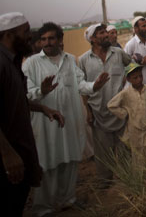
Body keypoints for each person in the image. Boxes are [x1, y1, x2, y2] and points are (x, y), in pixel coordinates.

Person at [23, 22, 109, 216]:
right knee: (47, 164)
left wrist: (94, 86)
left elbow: (80, 84)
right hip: (46, 124)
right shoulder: (31, 63)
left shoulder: (70, 59)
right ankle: (43, 208)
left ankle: (67, 200)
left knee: (70, 160)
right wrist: (41, 91)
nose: (47, 42)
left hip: (70, 120)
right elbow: (26, 94)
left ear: (60, 40)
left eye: (51, 38)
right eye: (43, 39)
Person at [0, 12, 64, 215]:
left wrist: (43, 108)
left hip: (20, 148)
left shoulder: (13, 61)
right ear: (10, 34)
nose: (32, 37)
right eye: (26, 31)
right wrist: (8, 154)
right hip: (8, 156)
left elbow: (14, 100)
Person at [78, 24, 131, 187]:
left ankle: (128, 181)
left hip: (120, 110)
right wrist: (88, 111)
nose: (106, 35)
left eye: (106, 32)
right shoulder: (83, 60)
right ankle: (105, 183)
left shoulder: (118, 53)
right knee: (103, 152)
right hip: (98, 112)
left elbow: (131, 66)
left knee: (124, 149)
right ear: (93, 39)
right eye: (101, 33)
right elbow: (82, 87)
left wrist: (126, 78)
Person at [107, 63, 146, 156]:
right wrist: (125, 113)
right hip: (134, 129)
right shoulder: (126, 93)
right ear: (128, 79)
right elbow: (111, 105)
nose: (139, 79)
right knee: (137, 156)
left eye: (140, 76)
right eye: (135, 78)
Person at [124, 17, 146, 94]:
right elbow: (125, 66)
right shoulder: (130, 45)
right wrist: (140, 62)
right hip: (138, 89)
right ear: (136, 29)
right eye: (143, 26)